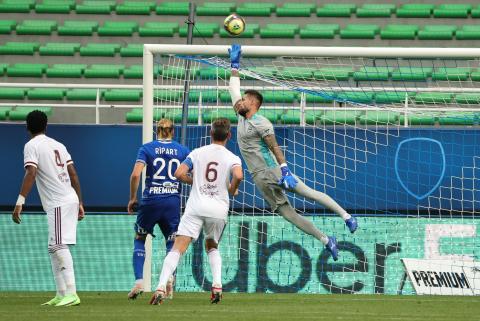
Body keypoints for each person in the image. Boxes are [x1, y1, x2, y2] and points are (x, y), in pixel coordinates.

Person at [228, 44, 358, 261]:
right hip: (258, 177)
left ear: (253, 103)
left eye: (244, 99)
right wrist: (234, 65)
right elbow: (232, 89)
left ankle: (347, 216)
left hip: (273, 171)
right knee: (289, 215)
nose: (239, 101)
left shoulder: (262, 123)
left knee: (308, 193)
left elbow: (274, 147)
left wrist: (285, 170)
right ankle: (326, 240)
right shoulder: (241, 115)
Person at [150, 118, 243, 305]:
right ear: (229, 135)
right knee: (212, 246)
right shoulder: (232, 157)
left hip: (196, 206)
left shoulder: (198, 153)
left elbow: (178, 173)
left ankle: (160, 286)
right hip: (218, 208)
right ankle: (217, 285)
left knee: (178, 247)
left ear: (210, 133)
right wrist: (232, 189)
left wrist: (193, 181)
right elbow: (239, 175)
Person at [12, 110, 84, 306]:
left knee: (59, 245)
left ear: (27, 127)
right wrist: (80, 201)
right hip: (68, 197)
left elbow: (31, 173)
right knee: (53, 247)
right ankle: (61, 293)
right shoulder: (58, 144)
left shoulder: (31, 146)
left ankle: (72, 293)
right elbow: (73, 174)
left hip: (59, 201)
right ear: (46, 126)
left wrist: (20, 201)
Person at [127, 118, 190, 300]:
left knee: (140, 238)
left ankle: (139, 281)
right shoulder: (183, 150)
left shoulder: (146, 148)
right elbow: (189, 174)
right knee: (172, 242)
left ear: (157, 131)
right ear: (173, 131)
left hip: (151, 201)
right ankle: (169, 277)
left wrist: (132, 198)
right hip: (172, 201)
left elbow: (135, 175)